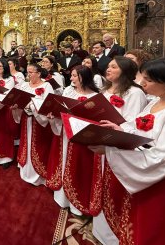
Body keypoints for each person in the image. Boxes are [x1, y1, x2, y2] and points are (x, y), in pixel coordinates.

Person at [91, 57, 165, 245]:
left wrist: (111, 152)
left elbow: (162, 158)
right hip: (148, 173)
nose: (141, 83)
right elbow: (139, 127)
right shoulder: (156, 102)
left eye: (148, 80)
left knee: (157, 230)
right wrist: (121, 129)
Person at [47, 66, 100, 216]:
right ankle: (63, 196)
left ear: (82, 77)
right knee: (64, 161)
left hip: (83, 137)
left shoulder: (95, 96)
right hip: (66, 134)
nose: (71, 79)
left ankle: (77, 198)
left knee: (80, 166)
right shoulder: (68, 92)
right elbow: (61, 111)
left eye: (74, 76)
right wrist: (54, 116)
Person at [12, 64, 54, 185]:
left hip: (40, 123)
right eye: (28, 72)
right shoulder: (24, 85)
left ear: (39, 73)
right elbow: (19, 99)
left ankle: (39, 173)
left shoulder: (46, 86)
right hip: (26, 119)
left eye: (31, 72)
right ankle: (26, 168)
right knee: (26, 142)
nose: (28, 75)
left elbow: (48, 106)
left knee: (39, 145)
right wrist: (16, 106)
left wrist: (33, 106)